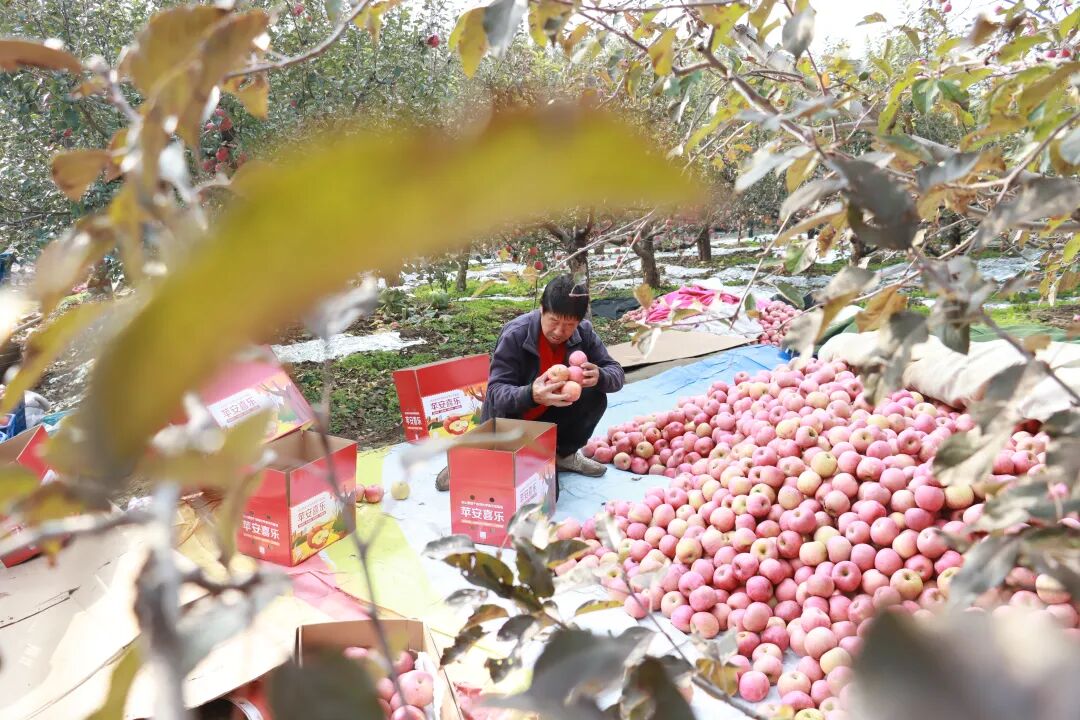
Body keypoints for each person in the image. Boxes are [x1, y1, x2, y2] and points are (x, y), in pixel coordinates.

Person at [436, 275, 624, 490]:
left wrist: (601, 376)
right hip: (513, 418)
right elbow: (496, 392)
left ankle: (563, 455)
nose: (559, 332)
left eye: (569, 325)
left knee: (594, 395)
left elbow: (616, 373)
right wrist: (530, 394)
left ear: (579, 322)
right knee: (526, 488)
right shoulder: (516, 334)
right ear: (542, 310)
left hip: (552, 417)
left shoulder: (584, 333)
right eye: (554, 321)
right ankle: (480, 455)